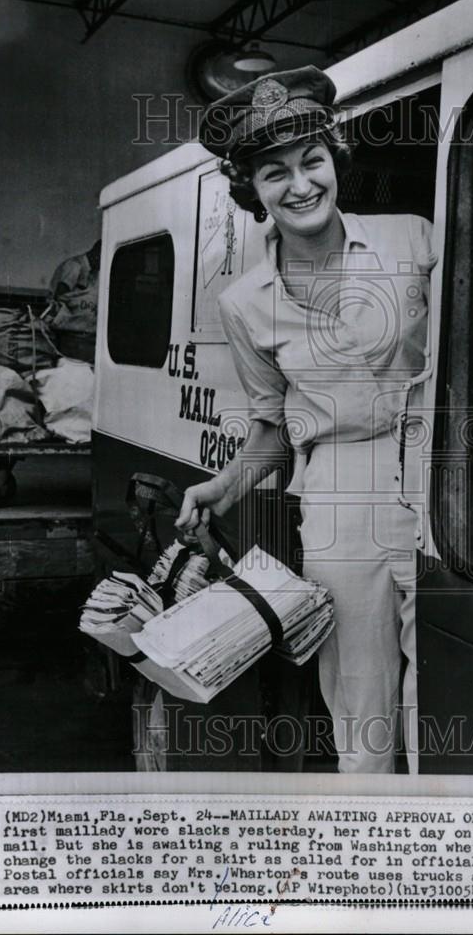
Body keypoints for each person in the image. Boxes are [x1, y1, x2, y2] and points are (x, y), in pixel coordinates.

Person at [175, 66, 437, 773]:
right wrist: (224, 486)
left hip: (444, 470)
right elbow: (268, 426)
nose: (299, 185)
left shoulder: (414, 240)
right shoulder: (244, 303)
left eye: (311, 161)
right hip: (338, 490)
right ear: (250, 191)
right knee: (360, 692)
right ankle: (373, 840)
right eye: (273, 174)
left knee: (450, 672)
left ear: (334, 161)